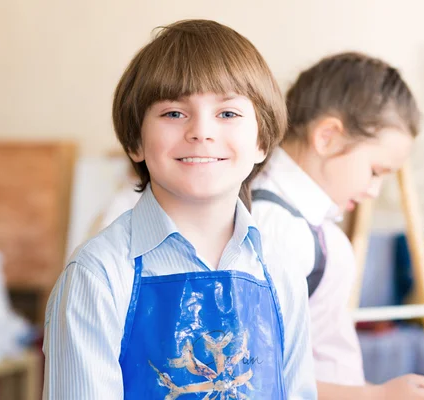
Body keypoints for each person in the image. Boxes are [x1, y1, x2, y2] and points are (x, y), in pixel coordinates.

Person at [43, 19, 316, 400]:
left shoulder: (281, 271)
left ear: (262, 142)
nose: (201, 131)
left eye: (228, 114)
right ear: (135, 142)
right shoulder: (98, 275)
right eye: (174, 113)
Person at [251, 51, 424, 399]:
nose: (374, 190)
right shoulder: (278, 229)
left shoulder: (305, 220)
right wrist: (380, 396)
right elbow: (259, 375)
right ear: (327, 137)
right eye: (375, 171)